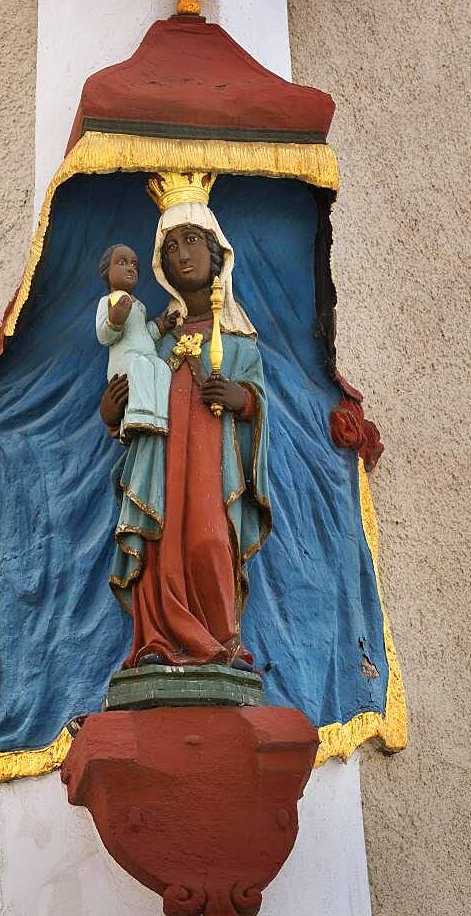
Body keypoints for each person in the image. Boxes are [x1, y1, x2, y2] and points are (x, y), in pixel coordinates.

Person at [100, 171, 271, 671]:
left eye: (192, 241)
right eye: (171, 246)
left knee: (210, 541)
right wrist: (112, 408)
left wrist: (240, 398)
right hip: (160, 467)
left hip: (212, 469)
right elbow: (125, 409)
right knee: (160, 548)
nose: (182, 255)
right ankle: (156, 643)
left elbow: (258, 407)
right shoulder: (156, 339)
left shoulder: (239, 342)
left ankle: (220, 643)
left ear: (216, 252)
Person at [95, 243, 176, 441]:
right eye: (122, 263)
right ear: (107, 271)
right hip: (126, 361)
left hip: (148, 356)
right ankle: (134, 419)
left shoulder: (139, 305)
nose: (130, 268)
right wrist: (115, 321)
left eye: (134, 264)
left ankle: (158, 418)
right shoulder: (108, 302)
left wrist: (160, 325)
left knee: (161, 368)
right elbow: (104, 337)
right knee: (139, 368)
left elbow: (142, 333)